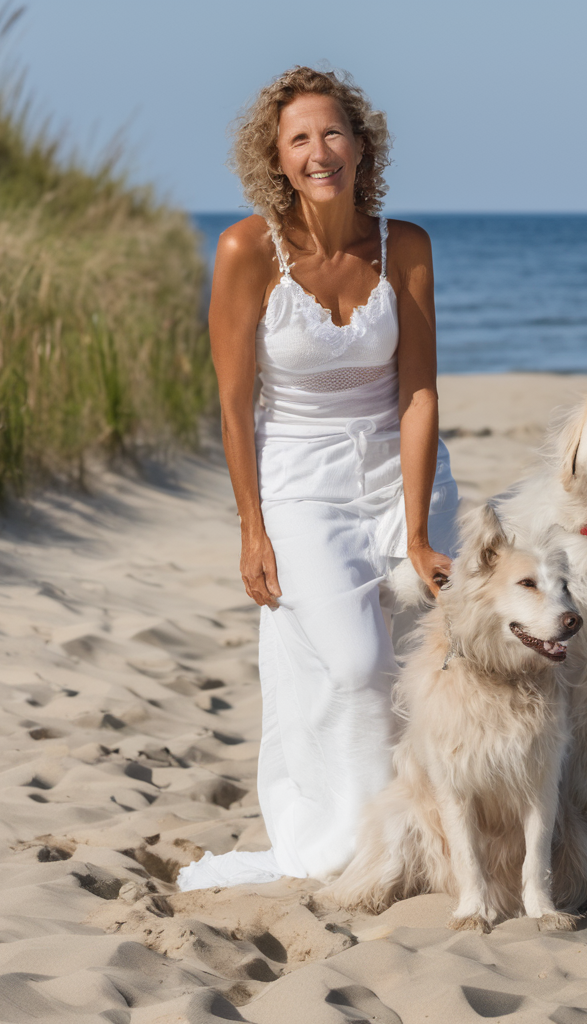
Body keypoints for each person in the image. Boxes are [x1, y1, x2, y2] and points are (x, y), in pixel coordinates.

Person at [178, 67, 459, 890]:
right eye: (299, 138)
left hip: (403, 473)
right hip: (300, 481)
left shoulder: (404, 245)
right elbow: (234, 408)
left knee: (434, 661)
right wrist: (252, 529)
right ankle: (358, 842)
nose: (319, 151)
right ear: (277, 156)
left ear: (362, 144)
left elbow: (418, 391)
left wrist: (415, 532)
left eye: (333, 132)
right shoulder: (243, 252)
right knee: (354, 664)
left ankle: (437, 833)